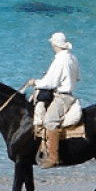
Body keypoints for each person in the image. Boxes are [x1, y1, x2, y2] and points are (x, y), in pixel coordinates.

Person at [26, 32, 81, 168]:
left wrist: (35, 82)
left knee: (49, 121)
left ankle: (53, 157)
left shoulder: (60, 60)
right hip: (68, 92)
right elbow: (77, 77)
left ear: (55, 45)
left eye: (52, 43)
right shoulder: (72, 58)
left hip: (62, 96)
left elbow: (50, 83)